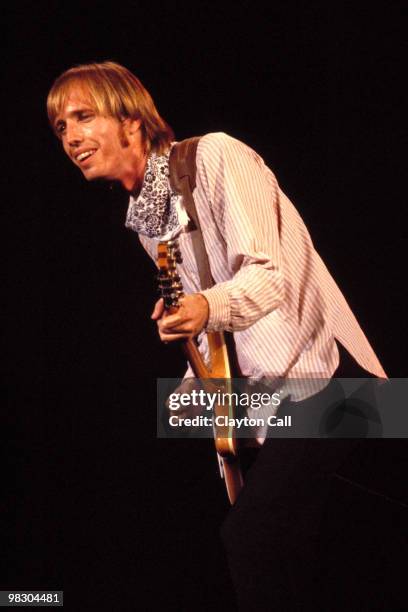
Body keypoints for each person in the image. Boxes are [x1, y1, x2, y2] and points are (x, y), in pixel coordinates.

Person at [47, 61, 395, 610]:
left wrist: (205, 306)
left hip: (339, 386)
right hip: (271, 402)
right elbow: (219, 332)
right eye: (61, 126)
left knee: (253, 539)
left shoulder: (215, 156)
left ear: (132, 121)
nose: (70, 137)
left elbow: (268, 277)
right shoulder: (149, 222)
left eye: (83, 116)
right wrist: (191, 363)